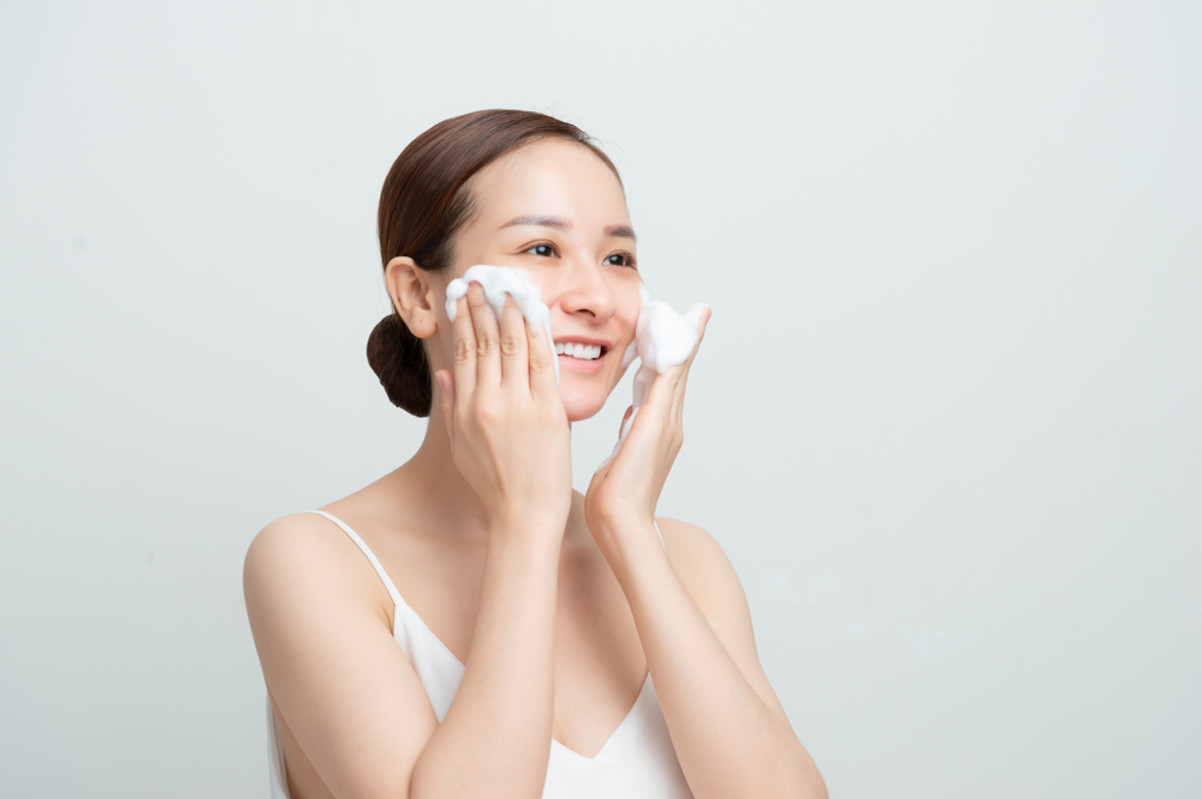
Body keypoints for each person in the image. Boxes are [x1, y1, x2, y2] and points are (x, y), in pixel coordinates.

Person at [244, 109, 826, 799]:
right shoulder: (314, 560)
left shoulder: (688, 561)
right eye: (543, 250)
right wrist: (527, 518)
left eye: (618, 258)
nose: (596, 297)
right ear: (418, 294)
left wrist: (628, 530)